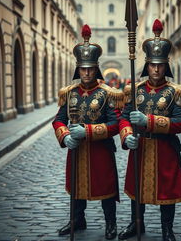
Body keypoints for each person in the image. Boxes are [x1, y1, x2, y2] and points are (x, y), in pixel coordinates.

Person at [118, 19, 181, 241]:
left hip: (165, 148)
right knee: (137, 189)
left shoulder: (176, 92)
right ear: (147, 65)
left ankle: (167, 229)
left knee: (167, 192)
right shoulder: (134, 91)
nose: (156, 69)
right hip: (140, 147)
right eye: (152, 64)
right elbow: (123, 119)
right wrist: (127, 135)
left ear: (166, 65)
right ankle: (136, 224)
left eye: (160, 64)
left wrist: (148, 120)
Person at [52, 24, 124, 240]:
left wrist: (88, 131)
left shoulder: (108, 94)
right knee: (76, 187)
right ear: (78, 69)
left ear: (96, 69)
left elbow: (115, 124)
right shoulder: (69, 93)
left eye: (90, 68)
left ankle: (111, 222)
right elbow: (58, 120)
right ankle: (77, 219)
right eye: (83, 69)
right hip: (76, 151)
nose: (86, 73)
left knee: (106, 187)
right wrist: (64, 135)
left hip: (100, 150)